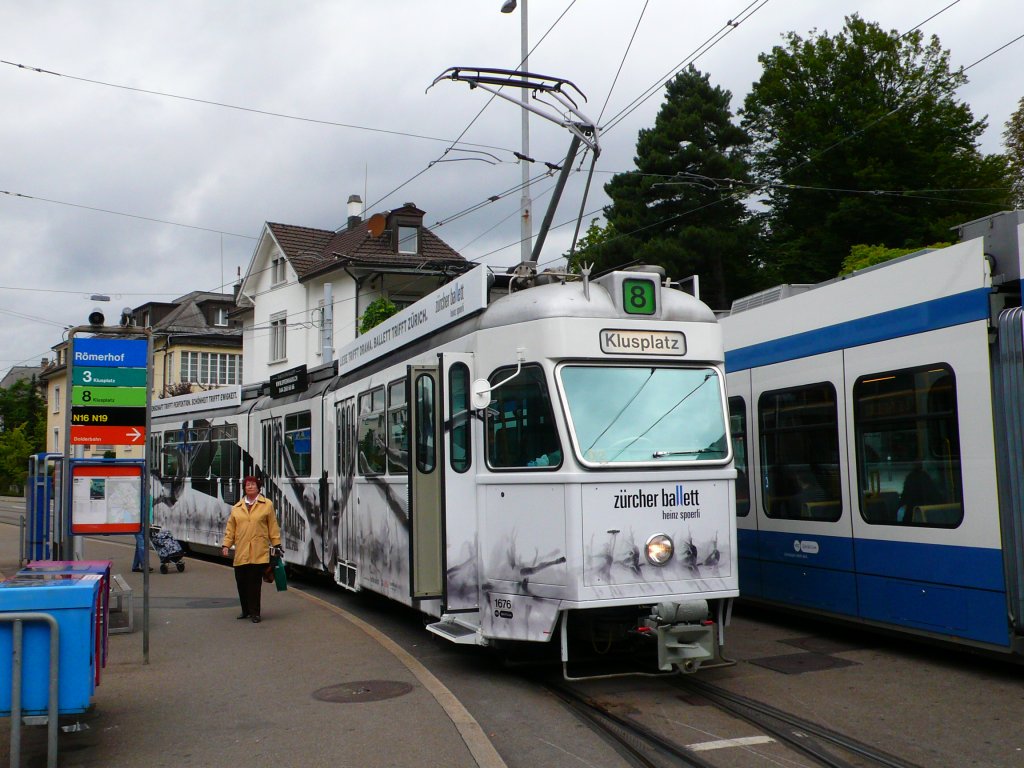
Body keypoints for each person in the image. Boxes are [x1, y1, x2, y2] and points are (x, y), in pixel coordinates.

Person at [221, 476, 282, 623]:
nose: (250, 487)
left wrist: (276, 543)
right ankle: (245, 610)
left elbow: (273, 526)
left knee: (254, 584)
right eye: (247, 485)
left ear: (258, 487)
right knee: (241, 582)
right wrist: (226, 545)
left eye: (253, 484)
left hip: (258, 551)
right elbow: (231, 529)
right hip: (241, 552)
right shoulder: (237, 507)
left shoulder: (267, 505)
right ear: (244, 488)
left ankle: (255, 613)